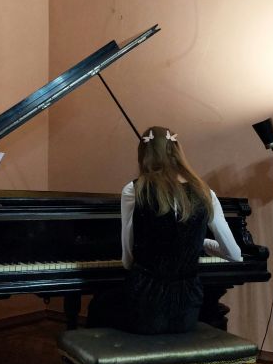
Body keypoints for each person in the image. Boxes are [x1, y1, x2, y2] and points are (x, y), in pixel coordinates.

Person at [87, 126, 241, 334]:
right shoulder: (206, 193)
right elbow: (234, 255)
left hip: (147, 304)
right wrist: (202, 243)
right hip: (187, 308)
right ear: (177, 151)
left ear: (143, 155)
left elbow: (127, 260)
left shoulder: (135, 189)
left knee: (98, 305)